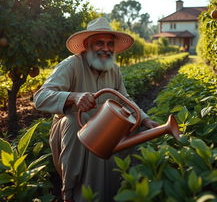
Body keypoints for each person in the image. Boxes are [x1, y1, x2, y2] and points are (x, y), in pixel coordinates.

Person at [33, 17, 159, 202]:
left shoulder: (113, 69)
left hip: (105, 125)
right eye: (99, 43)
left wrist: (145, 119)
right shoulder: (72, 65)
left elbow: (126, 100)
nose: (106, 48)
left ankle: (125, 190)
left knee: (134, 128)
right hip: (73, 125)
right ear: (87, 45)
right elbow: (40, 97)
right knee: (75, 126)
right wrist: (73, 97)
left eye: (109, 44)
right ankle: (71, 193)